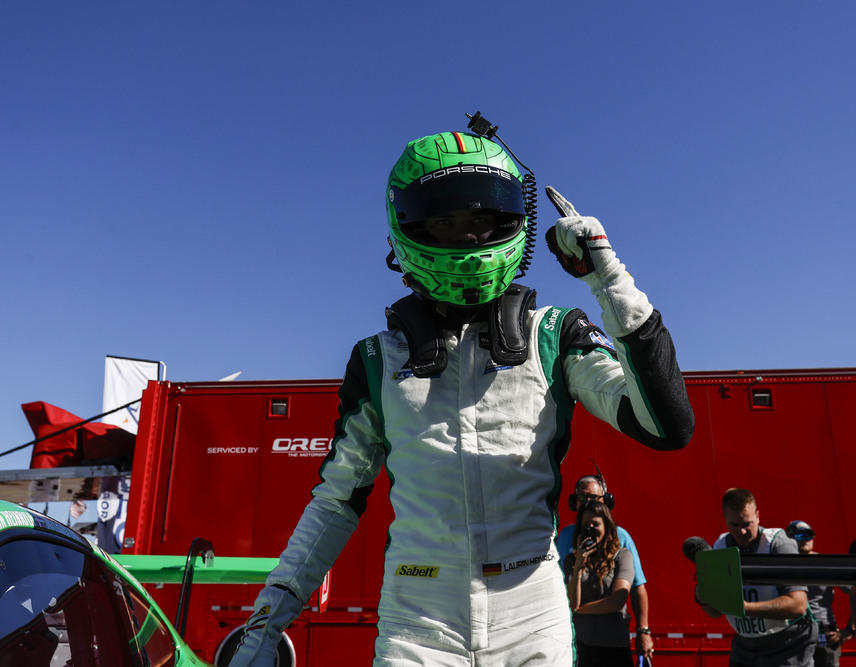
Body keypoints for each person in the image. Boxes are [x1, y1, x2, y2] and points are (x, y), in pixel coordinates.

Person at [230, 119, 694, 666]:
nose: (469, 236)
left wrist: (608, 278)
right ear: (409, 227)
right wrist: (267, 619)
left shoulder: (553, 335)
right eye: (445, 220)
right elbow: (336, 501)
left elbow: (666, 426)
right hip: (417, 618)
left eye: (480, 218)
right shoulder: (378, 358)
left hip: (533, 610)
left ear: (510, 220)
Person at [695, 488, 816, 667]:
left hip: (789, 647)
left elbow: (798, 605)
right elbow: (716, 612)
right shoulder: (720, 547)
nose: (742, 531)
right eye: (734, 525)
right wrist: (704, 598)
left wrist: (744, 608)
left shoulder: (778, 544)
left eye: (747, 524)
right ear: (725, 519)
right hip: (745, 649)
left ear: (757, 516)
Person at [557, 474, 653, 660]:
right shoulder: (565, 537)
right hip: (577, 640)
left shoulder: (621, 539)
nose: (588, 502)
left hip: (612, 641)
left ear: (606, 501)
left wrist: (643, 630)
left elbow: (636, 588)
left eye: (594, 498)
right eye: (582, 497)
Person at [565, 500, 635, 667]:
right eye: (585, 525)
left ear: (606, 526)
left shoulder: (622, 556)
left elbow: (617, 601)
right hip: (583, 646)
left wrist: (580, 610)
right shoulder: (571, 561)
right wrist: (579, 565)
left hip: (614, 647)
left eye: (595, 524)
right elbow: (572, 603)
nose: (590, 528)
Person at [787, 520, 847, 667]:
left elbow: (854, 590)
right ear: (789, 540)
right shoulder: (784, 567)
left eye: (808, 535)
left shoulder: (825, 564)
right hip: (793, 635)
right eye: (799, 536)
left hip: (824, 635)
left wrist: (850, 630)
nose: (805, 539)